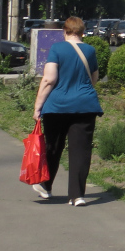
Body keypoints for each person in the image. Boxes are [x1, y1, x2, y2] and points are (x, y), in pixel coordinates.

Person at [32, 16, 103, 206]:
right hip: (85, 106)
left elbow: (49, 79)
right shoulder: (90, 50)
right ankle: (77, 195)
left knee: (53, 147)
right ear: (82, 32)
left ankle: (46, 187)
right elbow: (94, 77)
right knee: (81, 150)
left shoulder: (57, 49)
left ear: (65, 31)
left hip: (57, 106)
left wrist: (38, 106)